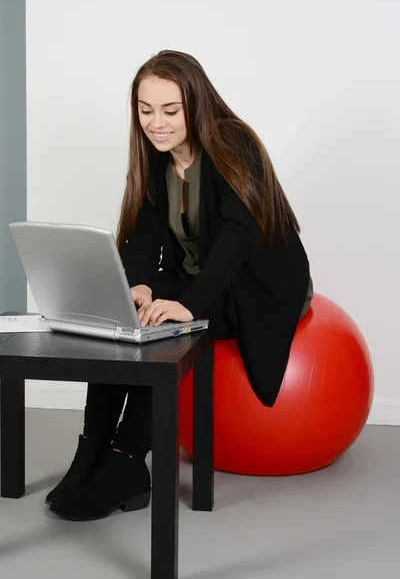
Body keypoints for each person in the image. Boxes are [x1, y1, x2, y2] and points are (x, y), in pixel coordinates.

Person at [47, 50, 313, 521]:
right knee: (122, 318)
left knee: (170, 337)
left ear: (196, 103)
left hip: (258, 279)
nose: (157, 123)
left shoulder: (234, 143)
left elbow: (238, 237)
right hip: (202, 273)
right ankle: (93, 446)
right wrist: (142, 287)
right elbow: (145, 238)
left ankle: (128, 459)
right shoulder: (158, 160)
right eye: (146, 111)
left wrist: (189, 305)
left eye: (170, 110)